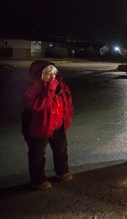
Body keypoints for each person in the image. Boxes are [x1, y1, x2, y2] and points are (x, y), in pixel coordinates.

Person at [22, 60, 74, 190]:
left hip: (58, 125)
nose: (52, 77)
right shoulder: (33, 87)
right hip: (39, 127)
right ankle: (38, 180)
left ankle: (62, 171)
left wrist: (67, 117)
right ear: (38, 74)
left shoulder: (60, 85)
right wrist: (50, 89)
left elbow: (68, 101)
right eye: (47, 74)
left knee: (61, 149)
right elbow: (37, 105)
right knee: (38, 153)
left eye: (54, 73)